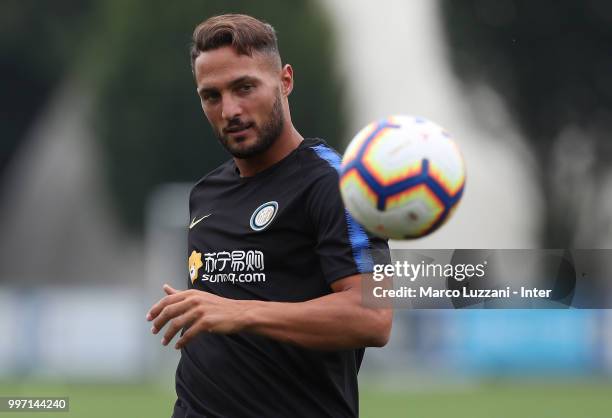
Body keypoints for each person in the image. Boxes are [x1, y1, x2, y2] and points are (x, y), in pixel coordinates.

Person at [146, 13, 392, 418]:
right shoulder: (205, 194)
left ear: (285, 81)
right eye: (211, 96)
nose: (230, 110)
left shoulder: (340, 185)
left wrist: (238, 312)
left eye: (245, 88)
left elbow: (375, 317)